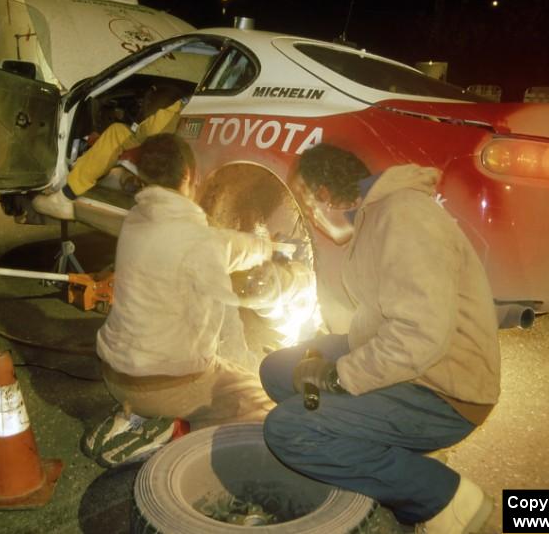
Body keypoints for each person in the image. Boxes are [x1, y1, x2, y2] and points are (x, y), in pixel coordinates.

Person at [259, 144, 500, 533]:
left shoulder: (404, 217)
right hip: (412, 364)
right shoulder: (375, 215)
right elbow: (382, 314)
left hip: (443, 390)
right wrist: (326, 354)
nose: (311, 220)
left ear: (322, 195)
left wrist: (337, 377)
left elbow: (419, 336)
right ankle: (361, 444)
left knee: (288, 430)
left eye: (306, 209)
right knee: (277, 370)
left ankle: (444, 498)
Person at [84, 133, 276, 468]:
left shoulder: (135, 220)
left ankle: (134, 417)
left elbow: (221, 245)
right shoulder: (201, 241)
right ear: (188, 174)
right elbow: (226, 257)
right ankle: (172, 430)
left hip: (115, 375)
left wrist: (255, 248)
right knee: (262, 403)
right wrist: (271, 252)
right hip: (164, 387)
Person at [32, 84, 186, 220]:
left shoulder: (185, 104)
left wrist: (137, 129)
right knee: (122, 140)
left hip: (169, 159)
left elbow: (151, 132)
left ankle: (65, 194)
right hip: (177, 165)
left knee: (116, 134)